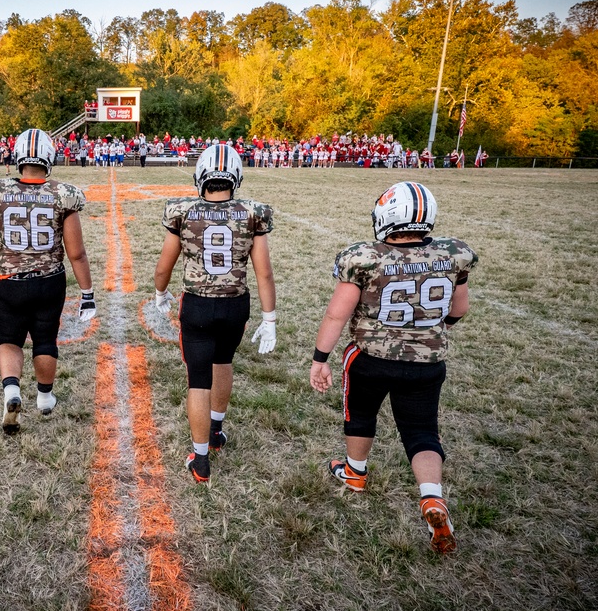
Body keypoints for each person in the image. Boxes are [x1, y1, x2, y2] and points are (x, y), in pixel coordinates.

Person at [309, 181, 478, 554]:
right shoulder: (454, 254)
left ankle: (355, 472)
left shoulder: (364, 257)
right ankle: (432, 498)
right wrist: (430, 331)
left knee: (361, 416)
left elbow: (338, 314)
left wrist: (320, 358)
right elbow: (459, 309)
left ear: (385, 216)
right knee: (421, 431)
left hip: (370, 359)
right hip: (426, 362)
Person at [153, 144, 277, 484]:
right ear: (235, 176)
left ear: (200, 176)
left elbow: (165, 264)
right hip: (235, 303)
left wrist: (160, 292)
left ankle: (201, 459)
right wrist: (270, 318)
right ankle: (216, 430)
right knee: (223, 362)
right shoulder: (253, 212)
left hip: (197, 304)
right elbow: (263, 272)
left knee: (198, 378)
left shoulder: (183, 210)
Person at [0, 128, 96, 435]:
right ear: (49, 156)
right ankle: (44, 396)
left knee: (9, 340)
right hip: (49, 281)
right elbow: (77, 253)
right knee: (45, 339)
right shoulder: (63, 194)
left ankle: (12, 391)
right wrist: (87, 292)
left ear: (18, 156)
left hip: (11, 281)